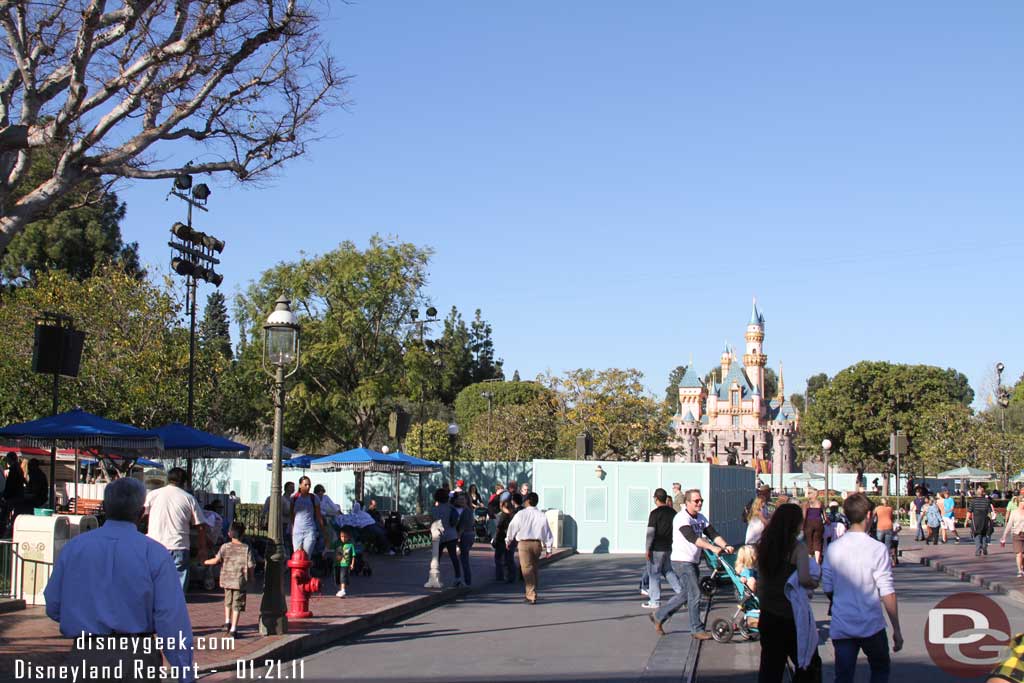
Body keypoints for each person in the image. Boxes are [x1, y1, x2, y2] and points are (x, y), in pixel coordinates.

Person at [44, 477, 196, 682]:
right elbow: (170, 618)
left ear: (105, 507)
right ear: (141, 513)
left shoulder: (74, 548)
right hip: (135, 657)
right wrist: (183, 671)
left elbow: (53, 604)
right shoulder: (154, 553)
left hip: (85, 655)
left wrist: (84, 618)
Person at [822, 493, 903, 683]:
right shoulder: (877, 548)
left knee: (843, 676)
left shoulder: (834, 548)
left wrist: (839, 600)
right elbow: (887, 591)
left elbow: (827, 585)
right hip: (872, 624)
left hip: (842, 624)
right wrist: (896, 629)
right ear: (868, 515)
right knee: (880, 670)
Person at [650, 488, 732, 639]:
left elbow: (712, 533)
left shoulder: (700, 518)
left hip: (693, 560)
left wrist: (725, 545)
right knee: (695, 593)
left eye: (701, 500)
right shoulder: (681, 518)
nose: (699, 503)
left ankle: (659, 615)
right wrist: (713, 548)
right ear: (687, 502)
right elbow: (693, 538)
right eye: (696, 501)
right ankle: (697, 629)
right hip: (681, 561)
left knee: (686, 594)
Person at [755, 503, 819, 682]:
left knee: (770, 667)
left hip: (768, 613)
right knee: (806, 662)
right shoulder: (797, 548)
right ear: (795, 524)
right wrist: (815, 582)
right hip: (791, 616)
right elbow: (805, 579)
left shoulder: (765, 545)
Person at [144, 467, 207, 590]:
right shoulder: (189, 498)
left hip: (155, 544)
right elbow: (200, 526)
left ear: (168, 479)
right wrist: (202, 548)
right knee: (178, 588)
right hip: (179, 546)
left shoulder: (153, 495)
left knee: (155, 583)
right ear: (184, 482)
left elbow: (141, 514)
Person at [203, 521, 255, 637]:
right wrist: (252, 577)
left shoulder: (224, 547)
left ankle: (227, 622)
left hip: (226, 579)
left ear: (229, 533)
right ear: (243, 534)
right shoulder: (246, 548)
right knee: (237, 604)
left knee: (228, 601)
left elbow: (216, 560)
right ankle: (233, 629)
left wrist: (205, 562)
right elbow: (251, 565)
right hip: (239, 581)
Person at [505, 491, 553, 604]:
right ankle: (532, 591)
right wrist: (549, 548)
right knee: (534, 568)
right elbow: (547, 532)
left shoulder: (521, 514)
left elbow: (513, 527)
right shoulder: (541, 515)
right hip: (537, 543)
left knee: (526, 569)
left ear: (527, 501)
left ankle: (531, 594)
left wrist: (508, 539)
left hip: (524, 543)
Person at [642, 488, 683, 609]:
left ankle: (654, 600)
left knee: (654, 573)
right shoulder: (673, 513)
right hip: (669, 547)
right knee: (668, 571)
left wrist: (647, 549)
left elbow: (651, 532)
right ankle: (682, 594)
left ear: (655, 499)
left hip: (656, 548)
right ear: (666, 498)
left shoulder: (655, 513)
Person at [433, 488, 463, 586]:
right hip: (451, 535)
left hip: (439, 536)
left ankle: (434, 577)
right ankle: (458, 577)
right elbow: (455, 521)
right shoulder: (451, 508)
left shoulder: (435, 509)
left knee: (437, 558)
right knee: (453, 557)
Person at [290, 475, 326, 558]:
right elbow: (291, 514)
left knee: (306, 556)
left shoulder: (314, 498)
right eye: (305, 485)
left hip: (310, 530)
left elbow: (318, 515)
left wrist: (323, 530)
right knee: (297, 556)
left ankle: (307, 571)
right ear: (300, 485)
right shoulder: (294, 498)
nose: (308, 487)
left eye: (309, 485)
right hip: (297, 531)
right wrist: (292, 528)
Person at [454, 492, 477, 586]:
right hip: (468, 534)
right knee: (464, 558)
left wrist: (458, 537)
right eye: (459, 499)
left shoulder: (466, 511)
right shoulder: (466, 510)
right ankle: (466, 580)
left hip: (466, 535)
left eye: (462, 499)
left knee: (464, 559)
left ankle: (467, 582)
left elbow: (463, 526)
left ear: (466, 500)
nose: (460, 501)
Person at [967, 484, 997, 556]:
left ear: (976, 493)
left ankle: (978, 549)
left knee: (977, 534)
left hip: (976, 520)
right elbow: (989, 512)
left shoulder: (973, 501)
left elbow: (969, 512)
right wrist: (991, 520)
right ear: (983, 493)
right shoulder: (987, 501)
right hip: (985, 520)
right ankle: (984, 546)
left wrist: (967, 520)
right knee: (984, 533)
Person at [493, 499, 517, 582]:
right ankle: (511, 576)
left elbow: (499, 528)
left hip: (502, 539)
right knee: (509, 558)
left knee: (498, 558)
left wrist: (495, 538)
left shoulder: (502, 516)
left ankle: (500, 576)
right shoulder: (514, 516)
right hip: (511, 539)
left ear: (503, 507)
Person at [1001, 494, 1024, 576]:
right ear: (1019, 502)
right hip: (1017, 534)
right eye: (1023, 501)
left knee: (1023, 555)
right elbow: (1009, 524)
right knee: (1019, 553)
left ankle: (1022, 565)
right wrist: (1004, 536)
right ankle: (1020, 570)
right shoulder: (1014, 513)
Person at [802, 487, 825, 565]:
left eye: (809, 493)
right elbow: (825, 518)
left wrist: (802, 526)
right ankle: (817, 561)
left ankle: (810, 561)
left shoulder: (806, 504)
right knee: (817, 541)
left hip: (809, 523)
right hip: (818, 523)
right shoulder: (820, 503)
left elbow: (804, 516)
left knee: (809, 541)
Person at [334, 528, 356, 598]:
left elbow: (353, 555)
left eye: (345, 537)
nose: (343, 538)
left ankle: (343, 590)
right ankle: (341, 590)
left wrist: (352, 564)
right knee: (337, 578)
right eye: (342, 537)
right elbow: (330, 547)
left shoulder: (350, 545)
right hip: (337, 564)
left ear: (348, 537)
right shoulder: (337, 543)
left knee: (343, 577)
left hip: (345, 564)